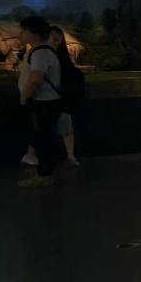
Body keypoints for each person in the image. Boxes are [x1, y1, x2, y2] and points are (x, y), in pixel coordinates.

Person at [17, 16, 66, 188]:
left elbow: (36, 78)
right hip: (45, 102)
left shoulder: (40, 52)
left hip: (43, 102)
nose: (21, 35)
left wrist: (24, 97)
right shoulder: (41, 51)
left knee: (43, 139)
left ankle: (44, 175)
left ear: (34, 33)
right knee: (43, 137)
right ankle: (44, 172)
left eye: (24, 31)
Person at [24, 27, 80, 167]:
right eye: (52, 36)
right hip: (49, 98)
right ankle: (32, 155)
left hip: (57, 97)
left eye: (58, 36)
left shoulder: (55, 56)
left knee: (60, 127)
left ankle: (69, 155)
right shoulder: (45, 54)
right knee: (45, 128)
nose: (55, 39)